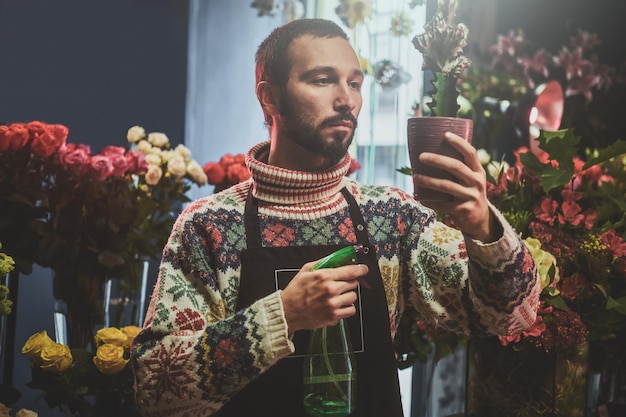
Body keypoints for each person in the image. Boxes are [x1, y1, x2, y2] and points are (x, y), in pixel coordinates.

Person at [131, 18, 540, 417]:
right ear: (269, 98)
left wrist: (484, 228)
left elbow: (511, 317)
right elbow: (153, 388)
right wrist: (283, 315)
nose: (346, 99)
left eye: (355, 83)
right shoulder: (210, 226)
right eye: (322, 80)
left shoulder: (391, 216)